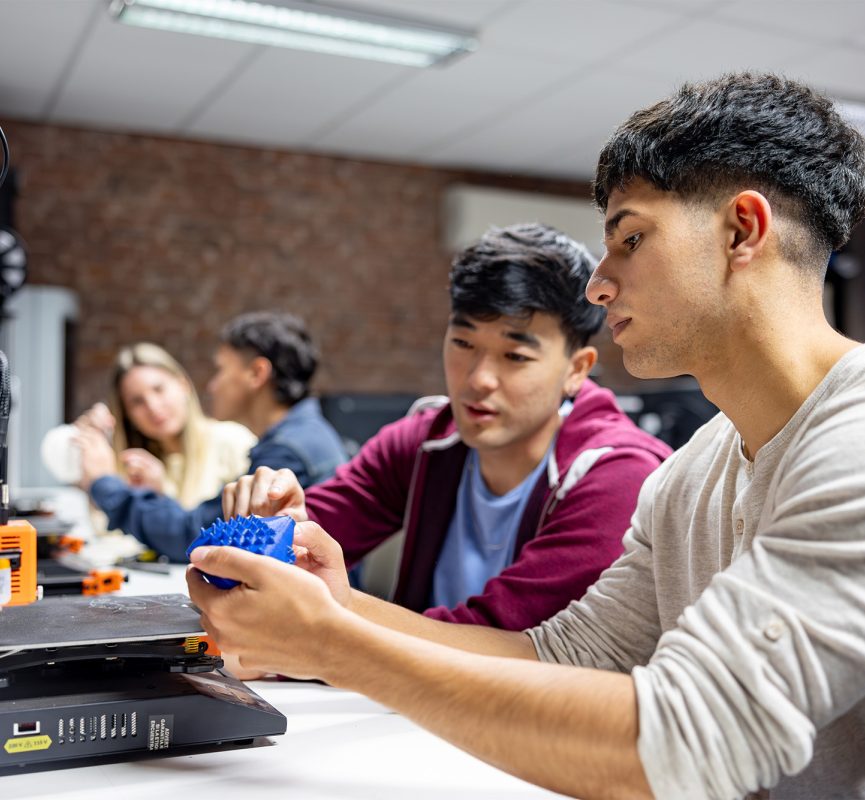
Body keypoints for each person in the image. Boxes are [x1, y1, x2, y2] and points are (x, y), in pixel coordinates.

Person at [188, 72, 865, 800]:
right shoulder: (691, 474)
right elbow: (565, 654)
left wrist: (332, 644)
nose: (599, 285)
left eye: (630, 238)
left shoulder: (849, 442)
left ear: (741, 231)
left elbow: (684, 740)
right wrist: (340, 608)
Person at [224, 223, 670, 636]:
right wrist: (276, 525)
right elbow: (311, 530)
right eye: (463, 343)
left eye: (515, 356)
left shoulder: (618, 477)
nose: (478, 379)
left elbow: (507, 640)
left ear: (577, 369)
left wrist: (332, 617)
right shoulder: (426, 440)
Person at [83, 312, 347, 560]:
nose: (212, 385)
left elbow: (197, 535)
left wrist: (104, 483)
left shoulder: (288, 450)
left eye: (221, 370)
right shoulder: (299, 436)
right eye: (137, 401)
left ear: (257, 373)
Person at [70, 343, 255, 512]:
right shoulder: (132, 466)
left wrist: (157, 499)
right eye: (137, 401)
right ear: (126, 414)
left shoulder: (232, 442)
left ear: (183, 385)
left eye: (159, 389)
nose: (153, 407)